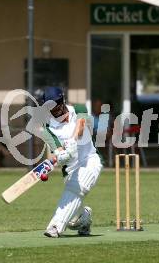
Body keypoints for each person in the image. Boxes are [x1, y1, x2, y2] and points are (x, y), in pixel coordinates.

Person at [41, 87, 103, 238]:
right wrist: (61, 155)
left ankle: (55, 227)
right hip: (70, 171)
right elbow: (58, 150)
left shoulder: (79, 109)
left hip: (90, 161)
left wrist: (72, 142)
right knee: (73, 220)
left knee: (76, 188)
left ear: (62, 101)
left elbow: (82, 125)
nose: (54, 109)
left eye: (55, 104)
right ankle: (84, 217)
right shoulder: (48, 128)